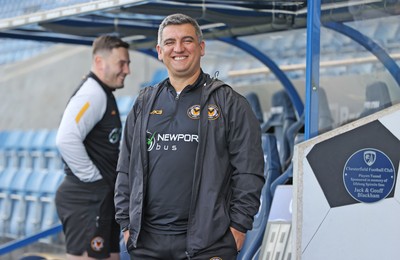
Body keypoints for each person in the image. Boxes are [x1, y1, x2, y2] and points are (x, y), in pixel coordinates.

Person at [114, 13, 265, 260]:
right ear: (160, 51)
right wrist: (126, 224)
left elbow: (249, 170)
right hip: (147, 243)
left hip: (208, 244)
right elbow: (125, 168)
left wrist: (238, 227)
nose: (179, 49)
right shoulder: (143, 103)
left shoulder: (230, 103)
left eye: (187, 40)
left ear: (201, 47)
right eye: (170, 43)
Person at [55, 35, 130, 260]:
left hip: (101, 199)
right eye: (121, 63)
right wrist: (94, 179)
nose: (127, 70)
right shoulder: (92, 93)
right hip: (86, 200)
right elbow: (66, 139)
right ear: (100, 62)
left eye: (128, 64)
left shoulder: (103, 92)